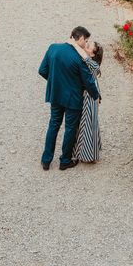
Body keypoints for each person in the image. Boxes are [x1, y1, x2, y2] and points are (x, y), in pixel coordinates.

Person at [39, 26, 101, 171]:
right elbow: (88, 81)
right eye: (85, 40)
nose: (86, 43)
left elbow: (42, 70)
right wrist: (96, 95)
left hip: (56, 94)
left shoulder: (53, 48)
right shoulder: (78, 58)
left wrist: (56, 82)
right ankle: (64, 161)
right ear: (79, 38)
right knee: (70, 128)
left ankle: (46, 160)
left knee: (53, 125)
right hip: (73, 98)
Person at [69, 39, 103, 163]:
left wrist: (73, 43)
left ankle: (87, 154)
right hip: (88, 95)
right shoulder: (85, 62)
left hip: (89, 97)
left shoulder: (93, 65)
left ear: (92, 55)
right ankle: (80, 151)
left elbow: (83, 55)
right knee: (82, 123)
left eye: (88, 46)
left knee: (87, 124)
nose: (85, 46)